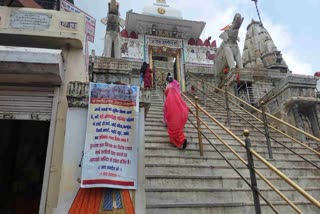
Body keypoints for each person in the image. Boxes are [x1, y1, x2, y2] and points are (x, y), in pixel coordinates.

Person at [163, 73, 188, 149]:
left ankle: (176, 142)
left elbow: (166, 108)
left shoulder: (168, 89)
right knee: (178, 129)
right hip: (179, 113)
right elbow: (182, 103)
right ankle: (182, 140)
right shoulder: (175, 89)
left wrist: (165, 118)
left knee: (173, 129)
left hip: (172, 115)